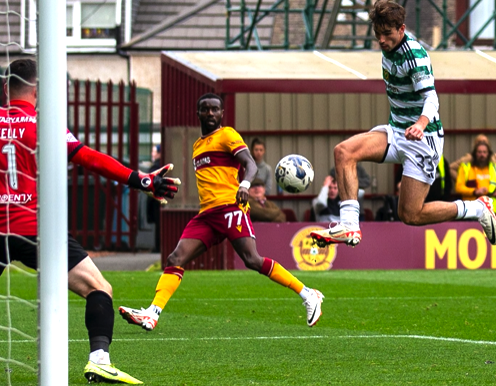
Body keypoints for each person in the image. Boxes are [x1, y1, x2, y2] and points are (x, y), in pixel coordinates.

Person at [0, 59, 181, 384]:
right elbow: (89, 158)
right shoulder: (44, 124)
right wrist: (140, 180)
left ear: (4, 89)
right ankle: (99, 359)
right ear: (37, 90)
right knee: (100, 288)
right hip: (37, 232)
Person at [118, 93, 324, 331]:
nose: (210, 114)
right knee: (175, 258)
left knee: (252, 260)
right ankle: (152, 314)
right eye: (205, 109)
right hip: (207, 215)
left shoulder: (227, 135)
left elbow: (251, 163)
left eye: (215, 109)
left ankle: (308, 294)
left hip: (230, 207)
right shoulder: (197, 146)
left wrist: (245, 185)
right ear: (198, 113)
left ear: (222, 113)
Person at [310, 0, 496, 249]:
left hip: (424, 139)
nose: (382, 40)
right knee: (343, 152)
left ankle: (477, 208)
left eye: (387, 34)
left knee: (410, 215)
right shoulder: (387, 48)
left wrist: (420, 123)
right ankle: (350, 226)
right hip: (397, 132)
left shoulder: (415, 55)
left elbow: (431, 98)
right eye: (378, 35)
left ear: (402, 29)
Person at [146, 144, 162, 252]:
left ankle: (158, 247)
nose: (152, 154)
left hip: (156, 200)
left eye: (154, 152)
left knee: (159, 225)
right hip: (159, 199)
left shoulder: (156, 167)